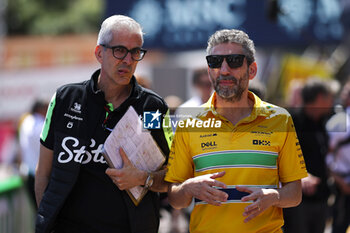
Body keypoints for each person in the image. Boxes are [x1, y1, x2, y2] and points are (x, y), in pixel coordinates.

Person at [35, 15, 172, 233]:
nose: (128, 60)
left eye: (135, 52)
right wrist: (46, 221)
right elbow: (43, 172)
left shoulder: (153, 108)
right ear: (99, 53)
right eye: (119, 50)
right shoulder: (65, 98)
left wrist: (142, 178)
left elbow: (171, 177)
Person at [164, 29, 307, 233]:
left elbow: (295, 193)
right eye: (215, 61)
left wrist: (274, 196)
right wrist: (187, 188)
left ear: (252, 70)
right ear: (208, 70)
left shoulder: (280, 120)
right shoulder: (189, 122)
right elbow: (175, 198)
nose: (223, 70)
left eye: (234, 60)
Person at [283, 78, 334, 233]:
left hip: (321, 198)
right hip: (298, 202)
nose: (332, 101)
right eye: (329, 97)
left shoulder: (324, 121)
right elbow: (282, 157)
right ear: (319, 98)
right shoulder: (290, 121)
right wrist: (302, 176)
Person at [326, 80, 350, 233]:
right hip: (344, 184)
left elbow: (326, 154)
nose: (343, 95)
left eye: (346, 92)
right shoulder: (339, 121)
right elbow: (327, 153)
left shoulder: (338, 121)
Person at [18, 99, 48, 208]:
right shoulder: (42, 125)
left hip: (28, 171)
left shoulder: (26, 122)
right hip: (40, 174)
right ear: (41, 110)